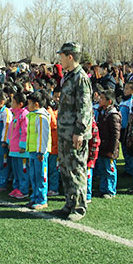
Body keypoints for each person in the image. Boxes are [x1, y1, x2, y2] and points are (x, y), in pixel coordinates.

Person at [53, 42, 93, 222]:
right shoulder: (69, 77)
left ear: (70, 56)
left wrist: (80, 131)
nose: (59, 59)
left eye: (61, 56)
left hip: (74, 133)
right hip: (65, 132)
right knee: (66, 169)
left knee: (76, 169)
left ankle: (79, 207)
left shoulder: (80, 78)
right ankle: (69, 203)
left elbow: (85, 108)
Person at [25, 91, 51, 209]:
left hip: (39, 152)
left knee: (41, 176)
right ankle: (34, 197)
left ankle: (42, 199)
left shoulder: (41, 117)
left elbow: (43, 136)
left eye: (29, 103)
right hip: (32, 150)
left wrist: (41, 151)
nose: (27, 105)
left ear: (36, 104)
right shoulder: (32, 116)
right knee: (33, 175)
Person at [95, 89, 121, 198]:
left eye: (102, 98)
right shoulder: (101, 112)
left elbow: (115, 135)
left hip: (109, 148)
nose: (99, 100)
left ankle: (110, 190)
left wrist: (112, 150)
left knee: (109, 170)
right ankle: (103, 188)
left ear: (109, 101)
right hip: (102, 147)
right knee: (103, 169)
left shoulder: (113, 115)